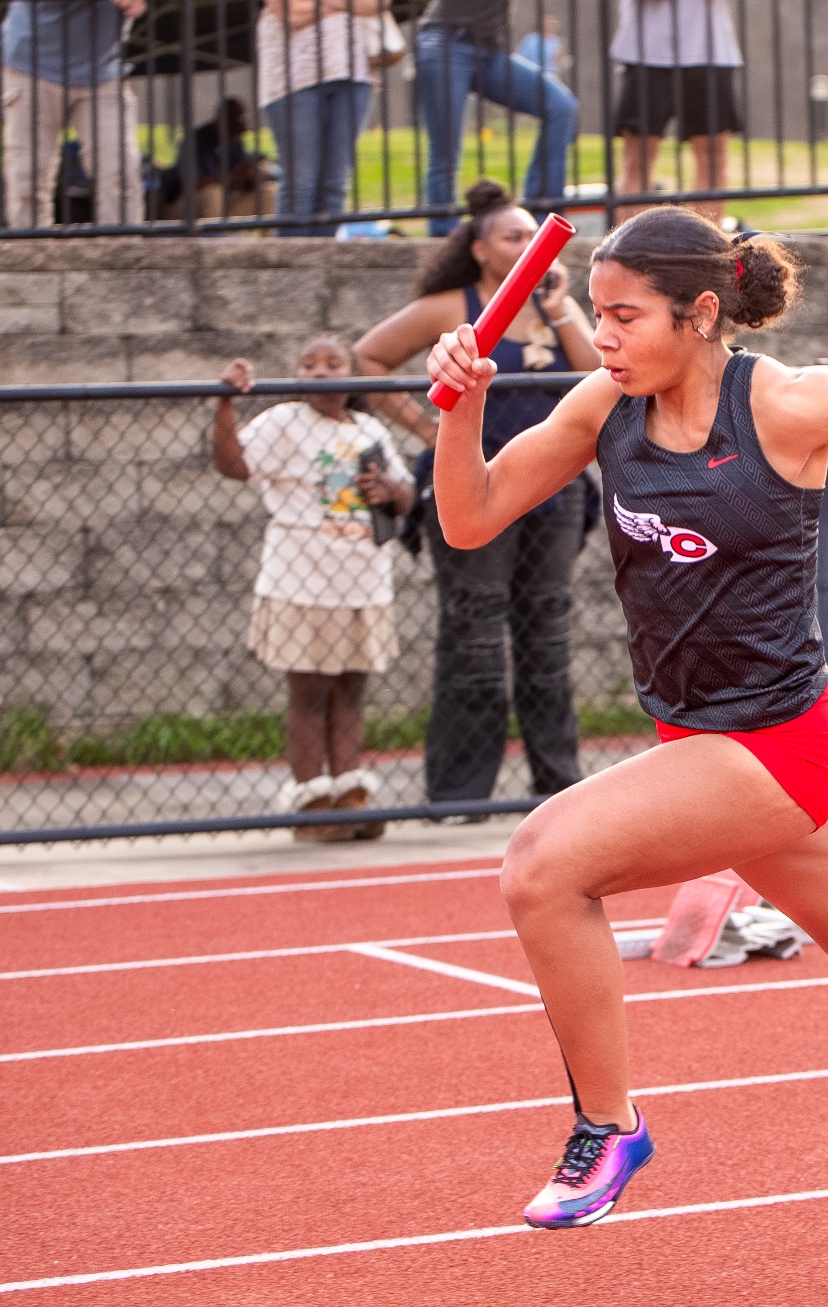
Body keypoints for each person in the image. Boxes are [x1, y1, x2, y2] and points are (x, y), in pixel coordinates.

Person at [424, 206, 828, 1228]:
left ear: (698, 313)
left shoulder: (783, 405)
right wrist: (462, 407)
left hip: (783, 743)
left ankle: (608, 1127)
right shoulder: (605, 405)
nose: (601, 337)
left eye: (624, 316)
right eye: (595, 314)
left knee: (542, 866)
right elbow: (468, 520)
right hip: (700, 736)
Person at [354, 180, 600, 814]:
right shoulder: (452, 307)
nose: (525, 245)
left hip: (554, 489)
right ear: (481, 247)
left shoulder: (552, 306)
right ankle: (460, 793)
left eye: (529, 235)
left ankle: (558, 784)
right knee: (474, 633)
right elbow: (370, 357)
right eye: (512, 237)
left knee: (547, 633)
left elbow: (596, 375)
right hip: (474, 484)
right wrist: (426, 428)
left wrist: (565, 306)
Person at [212, 332, 415, 841]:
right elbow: (236, 465)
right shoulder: (285, 423)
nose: (322, 372)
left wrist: (392, 491)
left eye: (334, 363)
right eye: (309, 365)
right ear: (298, 378)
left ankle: (348, 790)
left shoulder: (369, 427)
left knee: (351, 687)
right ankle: (310, 798)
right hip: (301, 582)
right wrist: (225, 407)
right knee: (309, 691)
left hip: (361, 583)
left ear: (353, 377)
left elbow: (408, 495)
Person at [415, 0, 578, 236]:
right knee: (445, 151)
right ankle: (444, 232)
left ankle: (542, 215)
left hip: (490, 52)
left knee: (561, 107)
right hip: (445, 43)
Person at [0, 0, 146, 227]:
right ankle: (31, 253)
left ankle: (122, 252)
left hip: (103, 70)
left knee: (119, 167)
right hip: (32, 65)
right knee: (28, 172)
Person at [611, 0, 744, 222]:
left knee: (713, 157)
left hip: (710, 52)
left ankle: (705, 249)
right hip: (647, 53)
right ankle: (631, 250)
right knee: (638, 158)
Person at [257, 0, 378, 235]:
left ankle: (325, 266)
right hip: (293, 76)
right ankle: (293, 266)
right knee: (301, 184)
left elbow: (377, 4)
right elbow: (291, 14)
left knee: (335, 185)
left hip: (354, 71)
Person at [159, 97, 277, 222]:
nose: (236, 137)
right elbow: (190, 183)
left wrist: (251, 175)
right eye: (233, 130)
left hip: (223, 207)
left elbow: (241, 180)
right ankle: (219, 238)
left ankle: (268, 240)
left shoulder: (236, 143)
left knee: (269, 192)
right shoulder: (195, 141)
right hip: (183, 208)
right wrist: (231, 177)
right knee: (213, 193)